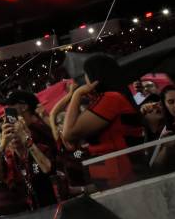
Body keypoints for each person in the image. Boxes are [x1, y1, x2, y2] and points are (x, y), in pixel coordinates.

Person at [62, 54, 144, 189]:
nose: (85, 80)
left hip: (119, 175)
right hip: (112, 173)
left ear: (95, 76)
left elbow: (68, 133)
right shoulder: (112, 97)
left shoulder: (111, 98)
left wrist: (76, 95)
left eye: (86, 74)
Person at [2, 91, 57, 208]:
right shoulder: (23, 130)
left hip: (55, 191)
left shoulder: (40, 127)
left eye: (11, 106)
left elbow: (52, 159)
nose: (8, 110)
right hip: (38, 197)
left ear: (24, 106)